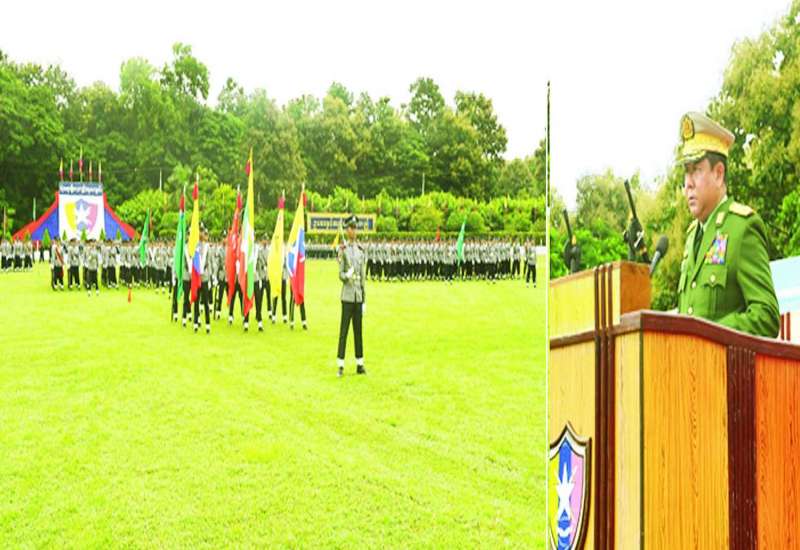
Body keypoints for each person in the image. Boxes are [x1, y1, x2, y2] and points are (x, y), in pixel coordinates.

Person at [675, 111, 780, 338]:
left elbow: (767, 316)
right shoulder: (692, 236)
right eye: (686, 172)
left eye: (696, 170)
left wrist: (711, 336)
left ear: (719, 174)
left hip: (724, 362)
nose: (688, 183)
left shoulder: (742, 228)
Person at [336, 214, 367, 377]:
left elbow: (363, 278)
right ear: (347, 230)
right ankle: (340, 364)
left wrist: (364, 299)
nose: (353, 231)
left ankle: (359, 363)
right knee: (344, 331)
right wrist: (346, 275)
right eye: (350, 228)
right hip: (347, 296)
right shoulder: (343, 250)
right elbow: (340, 274)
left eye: (355, 228)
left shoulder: (361, 251)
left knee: (358, 331)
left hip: (358, 296)